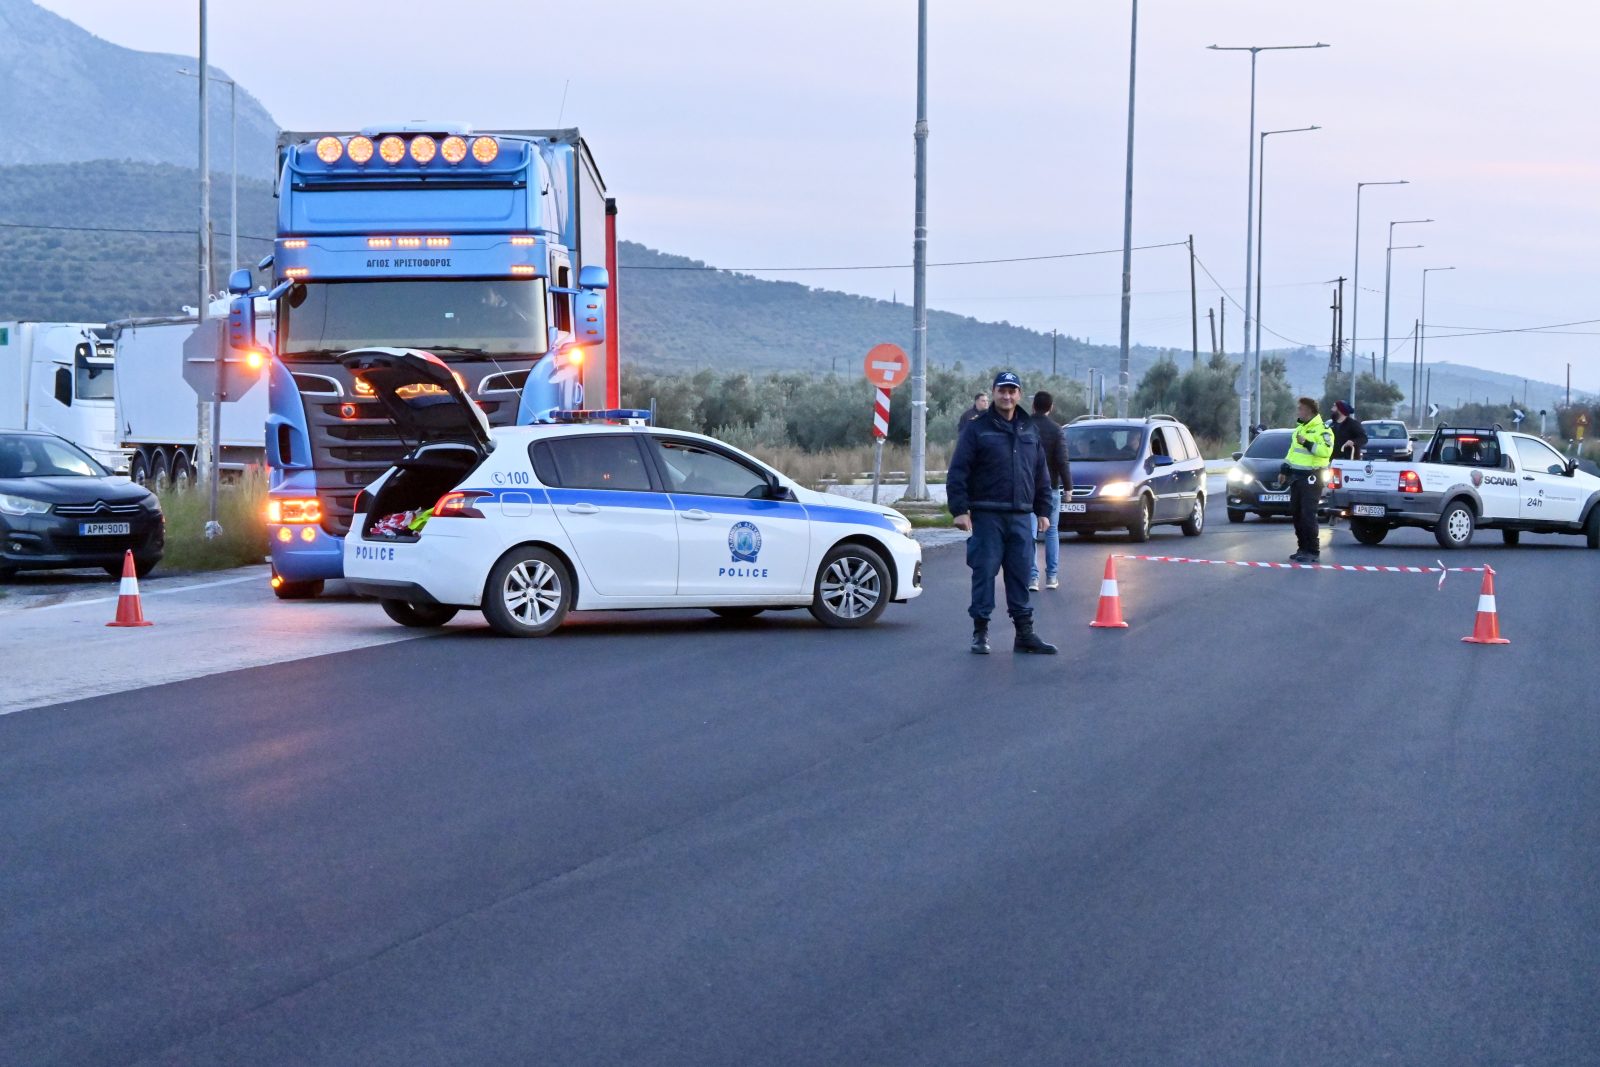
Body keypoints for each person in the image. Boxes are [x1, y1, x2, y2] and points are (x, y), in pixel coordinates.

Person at [947, 371, 1058, 655]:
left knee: (1020, 573)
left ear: (1019, 394)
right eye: (1001, 391)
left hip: (1021, 516)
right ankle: (980, 632)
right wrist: (960, 509)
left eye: (1012, 391)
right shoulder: (977, 428)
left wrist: (1043, 509)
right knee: (984, 572)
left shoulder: (1029, 428)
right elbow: (959, 470)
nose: (1007, 396)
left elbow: (1040, 473)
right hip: (987, 515)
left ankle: (1024, 635)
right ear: (993, 392)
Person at [1027, 390, 1071, 592]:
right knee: (1052, 531)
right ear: (1050, 408)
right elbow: (1062, 461)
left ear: (1033, 406)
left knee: (1029, 533)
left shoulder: (1023, 425)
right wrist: (1068, 487)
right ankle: (1052, 576)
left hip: (1027, 488)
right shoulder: (1056, 430)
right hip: (1051, 487)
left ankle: (1032, 577)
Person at [1284, 396, 1334, 563]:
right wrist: (1284, 468)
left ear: (1309, 410)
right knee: (1296, 513)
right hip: (1297, 477)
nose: (1298, 411)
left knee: (1308, 514)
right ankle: (1302, 548)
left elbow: (1325, 452)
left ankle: (1313, 550)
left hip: (1312, 477)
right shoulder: (1299, 429)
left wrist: (1307, 443)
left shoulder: (1323, 430)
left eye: (1301, 408)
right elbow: (1292, 452)